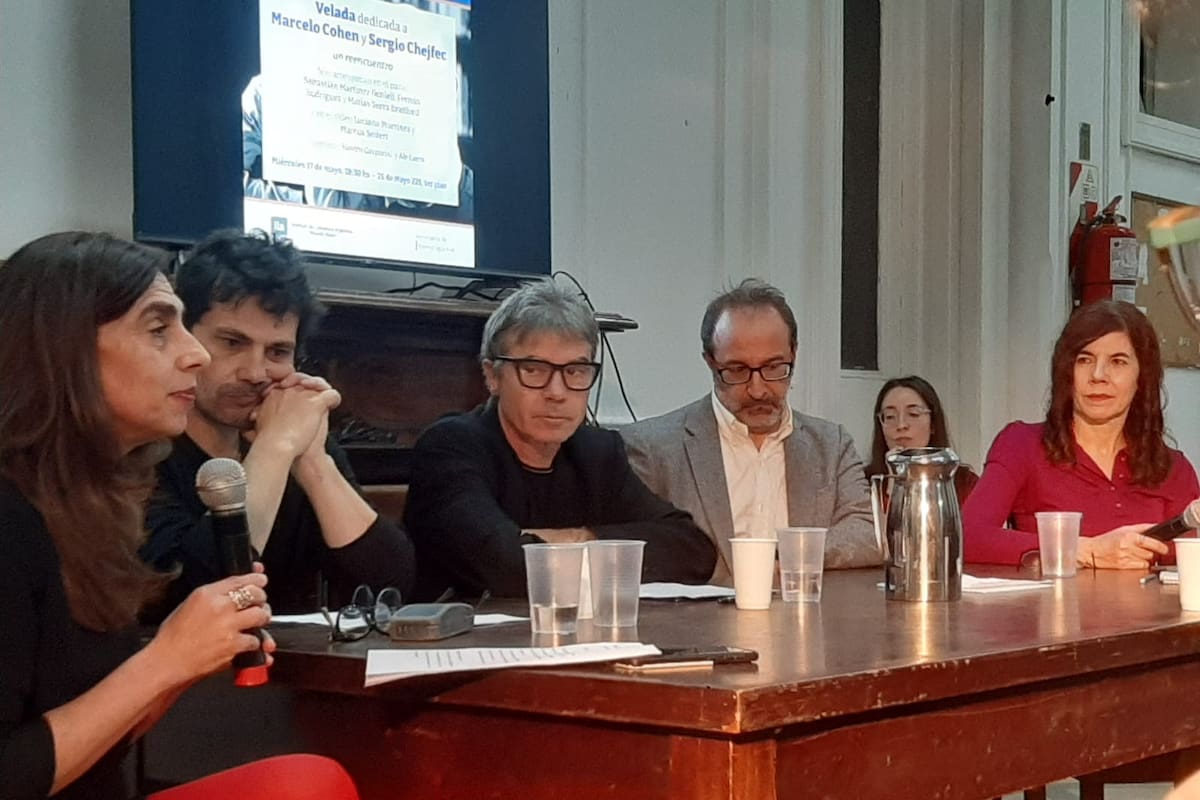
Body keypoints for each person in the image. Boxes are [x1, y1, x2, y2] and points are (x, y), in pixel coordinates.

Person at [0, 232, 358, 799]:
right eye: (160, 329)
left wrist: (188, 659)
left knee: (309, 779)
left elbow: (101, 741)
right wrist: (165, 661)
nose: (195, 354)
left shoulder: (99, 502)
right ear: (63, 347)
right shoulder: (10, 515)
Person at [141, 230, 415, 615]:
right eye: (232, 343)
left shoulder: (294, 436)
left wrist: (312, 462)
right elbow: (197, 592)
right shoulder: (142, 445)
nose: (256, 372)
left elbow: (389, 588)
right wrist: (275, 448)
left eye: (277, 351)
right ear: (183, 339)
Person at [403, 279, 717, 598]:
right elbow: (508, 568)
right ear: (492, 375)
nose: (557, 393)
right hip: (467, 644)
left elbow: (693, 551)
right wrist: (613, 548)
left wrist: (575, 538)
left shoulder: (597, 452)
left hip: (576, 643)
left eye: (575, 372)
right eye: (535, 370)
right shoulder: (450, 448)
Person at [621, 279, 881, 586]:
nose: (758, 390)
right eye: (737, 371)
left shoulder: (830, 445)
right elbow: (633, 552)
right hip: (696, 629)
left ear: (794, 353)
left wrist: (788, 556)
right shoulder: (653, 448)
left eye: (774, 367)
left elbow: (869, 533)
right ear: (710, 361)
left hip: (806, 623)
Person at [963, 300, 1199, 569]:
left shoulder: (1175, 469)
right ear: (1067, 371)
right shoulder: (1022, 445)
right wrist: (1084, 549)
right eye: (1085, 360)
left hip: (1155, 611)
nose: (1098, 375)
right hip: (1053, 610)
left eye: (1118, 361)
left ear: (1142, 376)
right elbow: (967, 537)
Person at [865, 375, 979, 507]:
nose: (901, 425)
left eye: (913, 414)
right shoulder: (862, 483)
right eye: (890, 417)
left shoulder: (964, 482)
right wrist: (894, 482)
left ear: (933, 424)